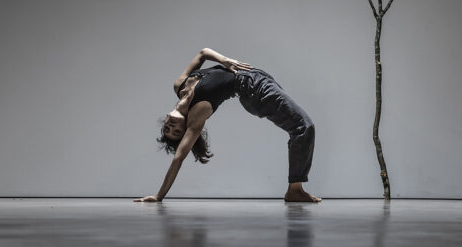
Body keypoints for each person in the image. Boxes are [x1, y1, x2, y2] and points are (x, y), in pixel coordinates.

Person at [134, 47, 321, 203]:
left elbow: (203, 53)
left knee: (300, 127)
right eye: (176, 131)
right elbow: (178, 158)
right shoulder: (197, 114)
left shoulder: (179, 85)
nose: (172, 126)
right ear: (185, 129)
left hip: (258, 77)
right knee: (303, 126)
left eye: (167, 128)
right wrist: (159, 196)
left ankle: (295, 189)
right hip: (254, 90)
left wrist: (225, 61)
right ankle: (295, 189)